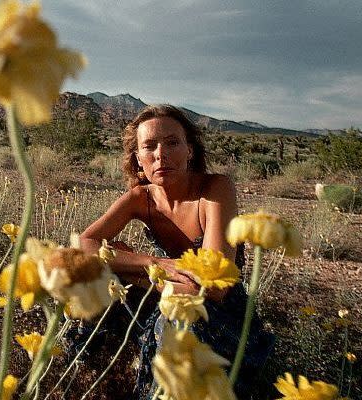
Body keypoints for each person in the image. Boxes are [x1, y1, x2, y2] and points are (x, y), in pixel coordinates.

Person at [74, 105, 274, 399]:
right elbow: (82, 244)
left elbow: (214, 285)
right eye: (149, 146)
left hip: (217, 312)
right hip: (168, 290)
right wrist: (154, 263)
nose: (160, 154)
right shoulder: (140, 198)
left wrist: (134, 270)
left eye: (172, 143)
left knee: (177, 320)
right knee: (88, 280)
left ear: (190, 150)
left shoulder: (216, 189)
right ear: (138, 160)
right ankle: (86, 380)